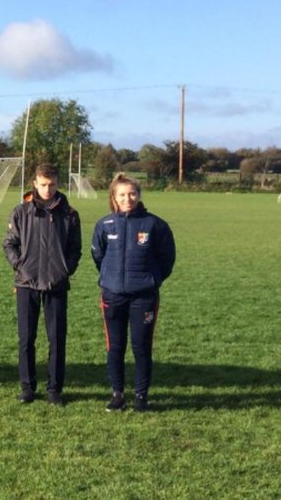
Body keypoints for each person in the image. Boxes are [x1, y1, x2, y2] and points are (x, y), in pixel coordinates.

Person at [91, 173, 176, 412]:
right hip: (112, 295)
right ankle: (117, 394)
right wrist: (111, 279)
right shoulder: (104, 225)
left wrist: (152, 279)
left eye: (132, 194)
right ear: (114, 197)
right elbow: (98, 256)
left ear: (138, 195)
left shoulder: (155, 225)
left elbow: (167, 259)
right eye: (122, 195)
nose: (127, 198)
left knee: (141, 347)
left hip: (144, 296)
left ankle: (141, 396)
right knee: (115, 347)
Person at [2, 163, 82, 405]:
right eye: (43, 184)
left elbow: (75, 250)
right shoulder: (21, 212)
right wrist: (21, 266)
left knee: (56, 339)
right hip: (27, 284)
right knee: (26, 338)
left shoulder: (69, 214)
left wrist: (64, 271)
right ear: (35, 184)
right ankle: (27, 387)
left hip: (56, 286)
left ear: (58, 184)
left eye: (52, 185)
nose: (47, 189)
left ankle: (54, 389)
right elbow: (9, 244)